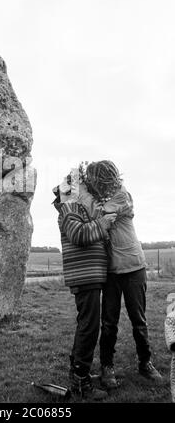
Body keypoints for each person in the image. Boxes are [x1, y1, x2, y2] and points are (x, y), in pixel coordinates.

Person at [83, 160, 163, 389]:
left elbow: (97, 213)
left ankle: (145, 363)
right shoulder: (101, 200)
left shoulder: (122, 195)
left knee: (138, 320)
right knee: (109, 323)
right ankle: (107, 367)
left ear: (102, 178)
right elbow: (93, 215)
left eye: (93, 178)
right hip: (111, 271)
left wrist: (82, 192)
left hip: (134, 267)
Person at [53, 171, 116, 400]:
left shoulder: (77, 208)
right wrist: (103, 223)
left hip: (90, 275)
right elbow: (78, 235)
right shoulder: (69, 207)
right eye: (83, 187)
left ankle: (77, 373)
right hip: (84, 276)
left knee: (86, 325)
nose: (86, 191)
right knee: (89, 328)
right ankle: (81, 381)